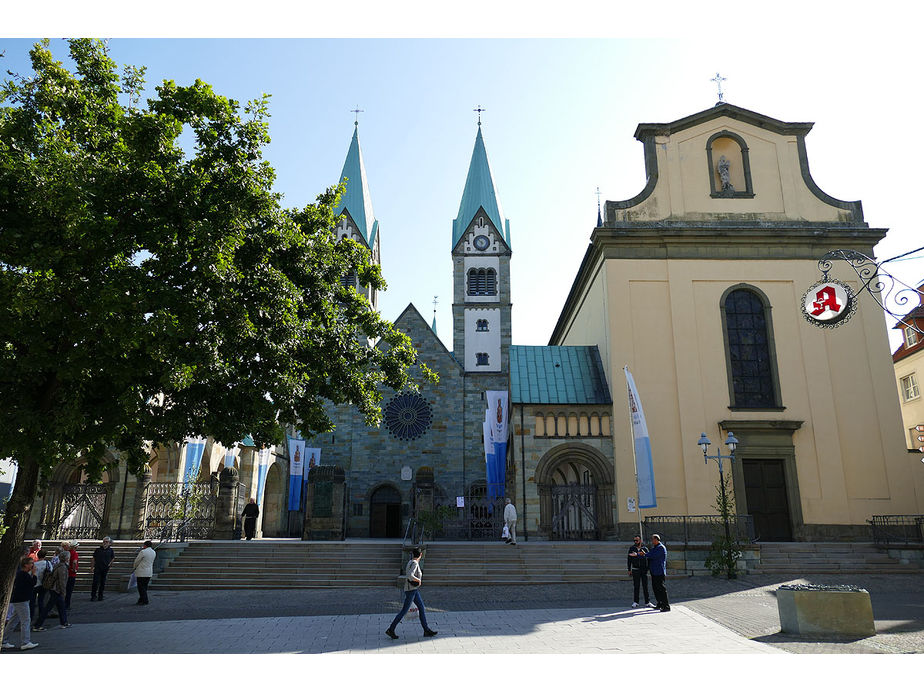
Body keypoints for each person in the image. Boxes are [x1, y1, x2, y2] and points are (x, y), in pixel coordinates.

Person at [385, 547, 437, 639]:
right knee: (404, 611)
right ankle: (391, 629)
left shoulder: (410, 562)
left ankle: (426, 630)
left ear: (413, 554)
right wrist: (418, 580)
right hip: (411, 590)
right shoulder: (415, 563)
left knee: (421, 608)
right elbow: (410, 576)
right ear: (421, 555)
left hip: (412, 589)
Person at [2, 556, 39, 651]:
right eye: (31, 563)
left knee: (13, 621)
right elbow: (32, 584)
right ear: (26, 565)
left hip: (18, 599)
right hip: (22, 600)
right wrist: (34, 574)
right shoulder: (24, 574)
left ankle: (3, 640)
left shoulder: (21, 574)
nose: (32, 565)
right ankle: (25, 642)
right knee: (26, 620)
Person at [33, 551, 71, 631]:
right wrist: (63, 592)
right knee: (48, 608)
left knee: (61, 606)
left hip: (54, 589)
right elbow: (62, 581)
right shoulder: (62, 568)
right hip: (56, 589)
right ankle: (37, 625)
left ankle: (64, 622)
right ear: (67, 558)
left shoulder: (58, 566)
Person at [642, 534, 670, 612]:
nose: (652, 541)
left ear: (657, 540)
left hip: (659, 571)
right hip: (654, 571)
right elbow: (650, 555)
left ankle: (666, 606)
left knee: (661, 589)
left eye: (653, 539)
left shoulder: (661, 547)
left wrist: (644, 554)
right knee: (655, 588)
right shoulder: (654, 547)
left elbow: (652, 555)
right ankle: (659, 603)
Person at [627, 534, 656, 608]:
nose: (635, 542)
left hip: (643, 569)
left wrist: (648, 568)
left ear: (640, 540)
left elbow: (649, 558)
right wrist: (629, 569)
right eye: (634, 540)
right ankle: (636, 602)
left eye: (637, 540)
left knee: (645, 586)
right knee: (636, 586)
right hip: (635, 569)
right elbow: (629, 559)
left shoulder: (645, 549)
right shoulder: (632, 548)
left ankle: (647, 602)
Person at [90, 537, 115, 601]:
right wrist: (92, 567)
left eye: (107, 542)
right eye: (104, 541)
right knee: (95, 582)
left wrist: (110, 564)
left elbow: (113, 558)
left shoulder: (111, 550)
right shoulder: (98, 550)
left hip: (105, 568)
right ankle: (93, 596)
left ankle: (100, 595)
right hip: (97, 568)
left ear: (109, 543)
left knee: (103, 582)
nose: (105, 543)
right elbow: (93, 558)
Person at [133, 540, 156, 605]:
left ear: (145, 545)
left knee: (140, 587)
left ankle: (144, 600)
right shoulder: (153, 552)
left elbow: (137, 561)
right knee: (144, 586)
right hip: (149, 572)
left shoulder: (143, 552)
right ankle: (141, 599)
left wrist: (134, 567)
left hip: (141, 571)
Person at [31, 549, 52, 620]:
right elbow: (51, 572)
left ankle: (31, 615)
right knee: (41, 600)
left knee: (32, 601)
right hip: (44, 583)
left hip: (35, 584)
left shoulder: (34, 564)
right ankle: (41, 615)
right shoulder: (47, 563)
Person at [64, 541, 79, 609]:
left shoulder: (67, 552)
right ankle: (67, 604)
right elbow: (74, 562)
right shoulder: (74, 553)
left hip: (65, 572)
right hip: (71, 574)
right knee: (69, 591)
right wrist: (74, 569)